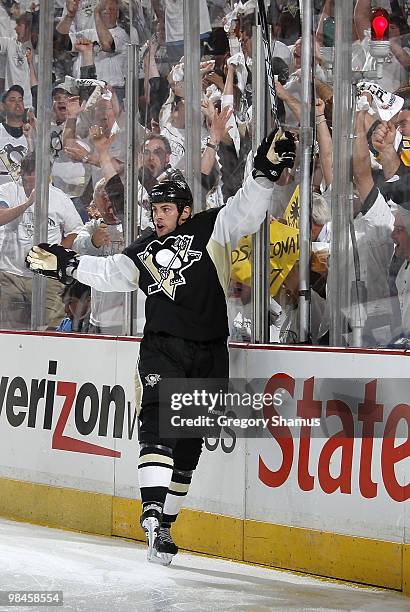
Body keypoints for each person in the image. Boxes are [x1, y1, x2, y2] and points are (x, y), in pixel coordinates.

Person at [25, 126, 296, 564]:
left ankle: (164, 528)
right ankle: (151, 514)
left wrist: (263, 174)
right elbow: (112, 272)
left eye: (166, 209)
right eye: (155, 209)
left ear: (186, 211)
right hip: (162, 348)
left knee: (190, 445)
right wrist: (67, 264)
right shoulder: (144, 248)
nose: (159, 216)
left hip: (209, 351)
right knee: (158, 425)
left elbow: (247, 209)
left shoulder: (213, 228)